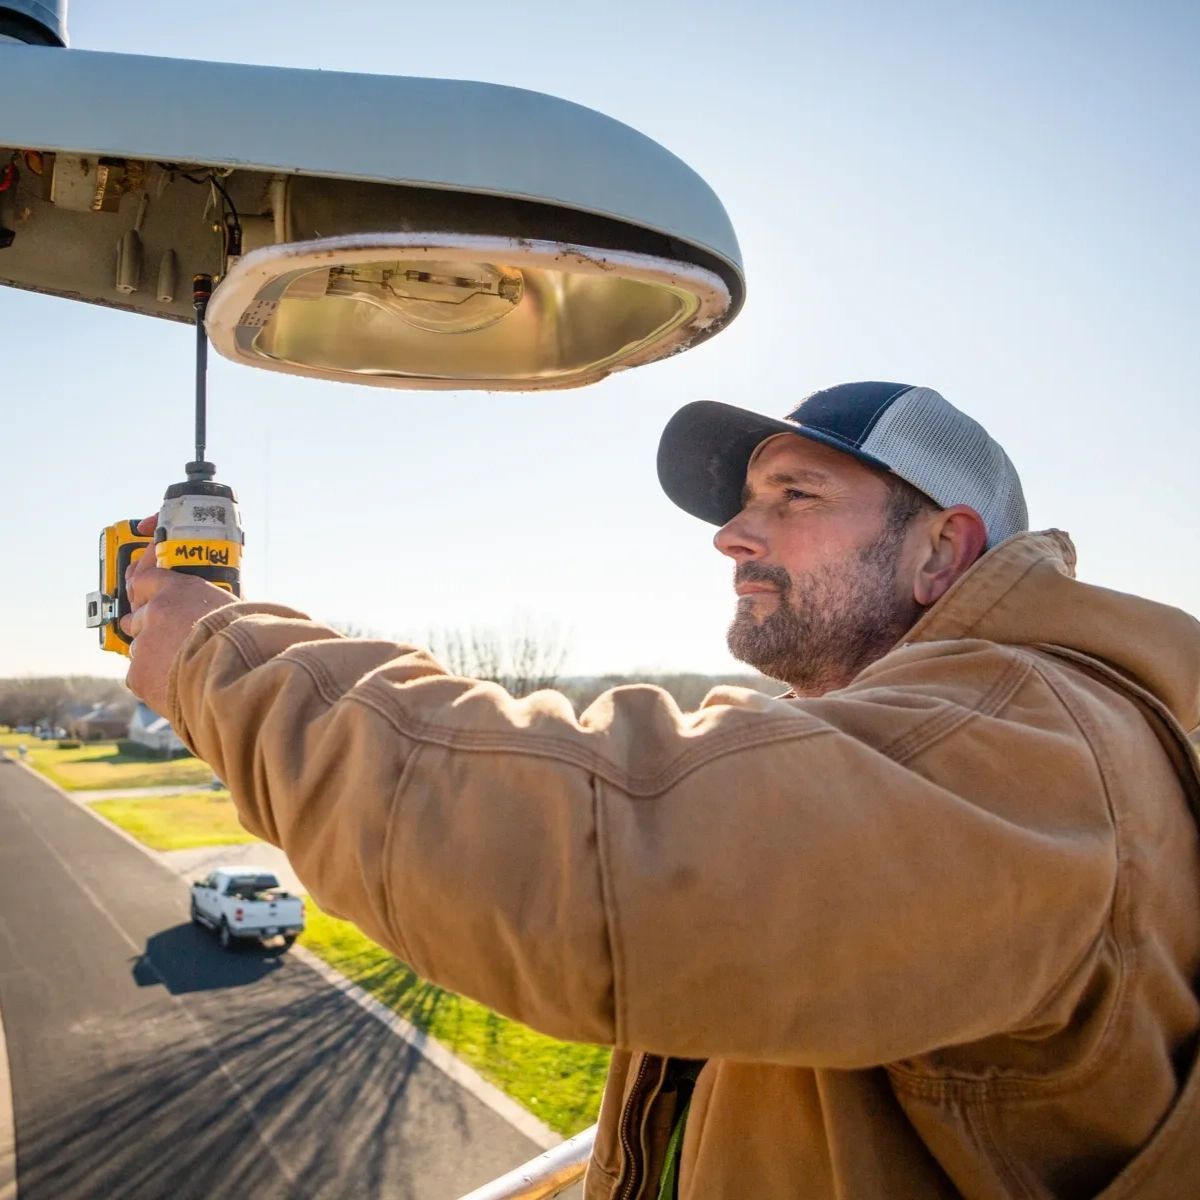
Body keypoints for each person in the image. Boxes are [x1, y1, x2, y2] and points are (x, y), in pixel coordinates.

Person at [123, 381, 1200, 1199]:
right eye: (743, 504)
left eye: (795, 496)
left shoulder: (1028, 740)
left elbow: (601, 857)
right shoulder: (957, 733)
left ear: (942, 549)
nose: (735, 536)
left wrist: (218, 656)